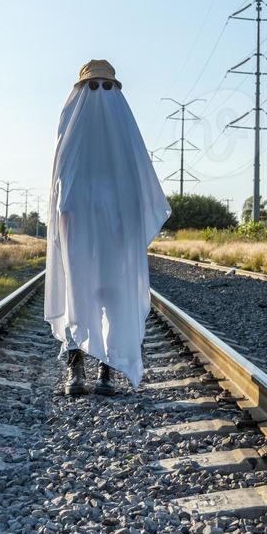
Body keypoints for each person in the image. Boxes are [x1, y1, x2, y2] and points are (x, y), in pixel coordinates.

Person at [44, 60, 171, 395]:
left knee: (111, 299)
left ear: (115, 90)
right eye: (94, 86)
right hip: (77, 232)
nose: (100, 93)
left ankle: (106, 371)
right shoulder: (71, 126)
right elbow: (61, 182)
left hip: (115, 234)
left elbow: (140, 189)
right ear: (83, 89)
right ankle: (76, 372)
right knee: (77, 296)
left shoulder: (123, 132)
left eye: (106, 86)